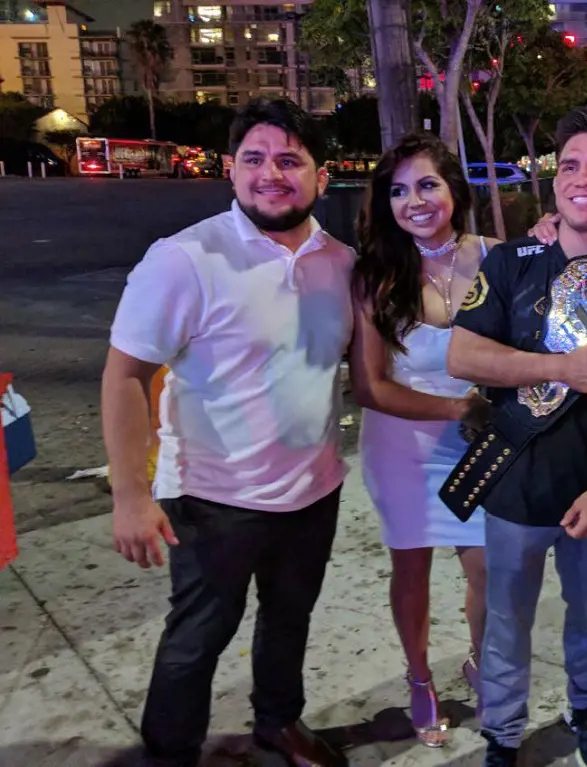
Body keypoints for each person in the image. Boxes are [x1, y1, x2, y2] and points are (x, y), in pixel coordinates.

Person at [102, 98, 352, 767]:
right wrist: (130, 495)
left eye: (290, 159)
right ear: (230, 170)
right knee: (198, 637)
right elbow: (125, 376)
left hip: (313, 491)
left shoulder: (342, 263)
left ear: (320, 176)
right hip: (213, 499)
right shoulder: (185, 258)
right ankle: (170, 752)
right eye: (255, 158)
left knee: (289, 619)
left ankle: (278, 722)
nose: (272, 173)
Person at [447, 104, 587, 767]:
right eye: (570, 165)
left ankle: (585, 707)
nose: (583, 178)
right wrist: (559, 369)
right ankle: (504, 733)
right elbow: (462, 356)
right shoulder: (512, 261)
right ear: (554, 179)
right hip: (512, 486)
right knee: (507, 620)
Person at [349, 132, 498, 748]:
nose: (415, 200)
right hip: (403, 449)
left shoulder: (496, 255)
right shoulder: (375, 276)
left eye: (428, 184)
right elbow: (370, 387)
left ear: (455, 192)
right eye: (399, 190)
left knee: (488, 568)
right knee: (410, 570)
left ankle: (482, 663)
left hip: (483, 445)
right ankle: (418, 679)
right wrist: (457, 406)